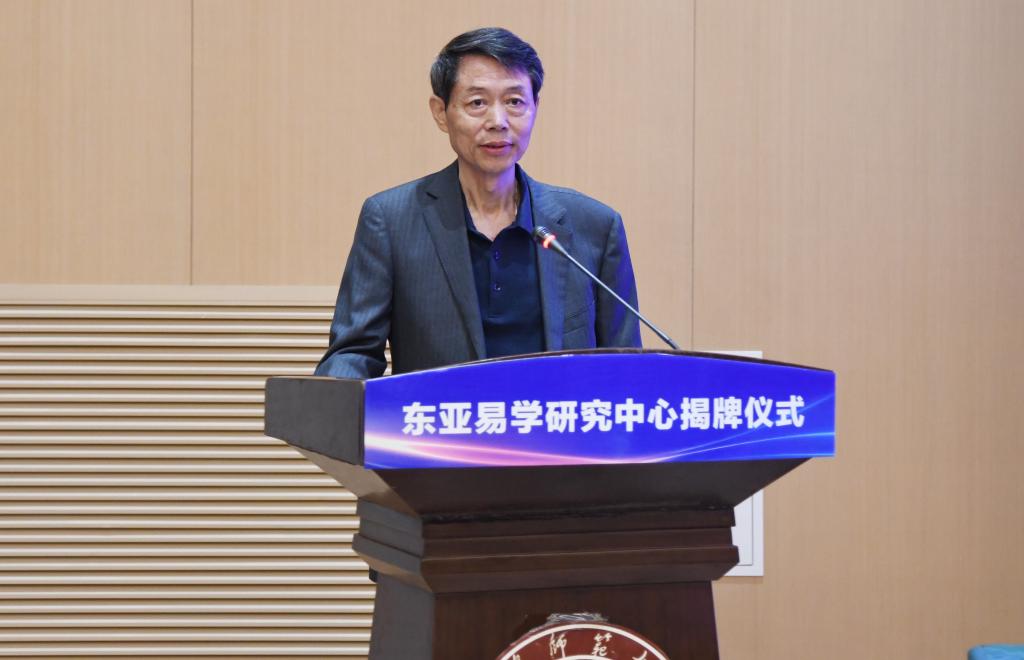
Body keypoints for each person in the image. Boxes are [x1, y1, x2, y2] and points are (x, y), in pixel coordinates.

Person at [315, 27, 641, 379]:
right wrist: (331, 402)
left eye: (515, 102)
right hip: (441, 416)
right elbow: (354, 353)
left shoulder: (595, 226)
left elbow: (626, 366)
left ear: (535, 108)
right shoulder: (392, 221)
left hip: (556, 416)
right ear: (441, 112)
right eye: (477, 103)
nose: (498, 122)